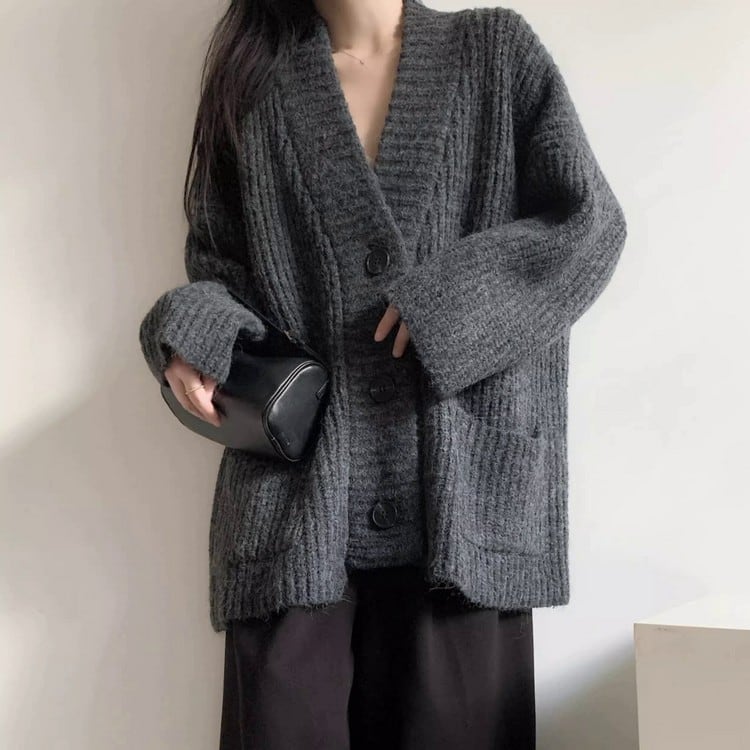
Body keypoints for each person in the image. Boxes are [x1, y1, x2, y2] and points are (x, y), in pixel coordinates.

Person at [137, 0, 628, 747]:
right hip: (299, 516)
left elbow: (587, 224)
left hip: (460, 517)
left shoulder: (494, 53)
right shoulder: (254, 81)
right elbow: (218, 268)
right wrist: (188, 332)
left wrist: (454, 305)